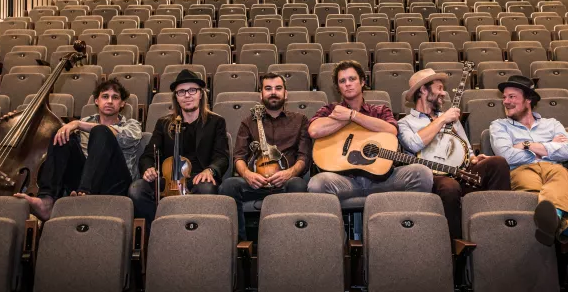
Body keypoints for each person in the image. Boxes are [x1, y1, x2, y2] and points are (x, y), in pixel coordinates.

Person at [489, 75, 568, 258]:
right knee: (534, 190)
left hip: (554, 168)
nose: (506, 101)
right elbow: (506, 155)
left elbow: (566, 151)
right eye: (504, 97)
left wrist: (527, 145)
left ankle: (553, 221)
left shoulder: (552, 124)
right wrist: (547, 146)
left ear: (528, 99)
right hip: (521, 170)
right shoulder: (499, 126)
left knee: (560, 175)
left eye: (512, 96)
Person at [398, 69, 511, 239]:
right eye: (439, 88)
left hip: (460, 172)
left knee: (498, 163)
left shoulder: (450, 118)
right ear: (423, 90)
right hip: (432, 176)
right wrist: (442, 119)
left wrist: (474, 158)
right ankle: (455, 245)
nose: (444, 93)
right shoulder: (405, 123)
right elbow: (414, 145)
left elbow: (466, 148)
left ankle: (498, 230)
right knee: (450, 186)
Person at [15, 78, 143, 221]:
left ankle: (85, 194)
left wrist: (77, 123)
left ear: (122, 103)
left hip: (115, 183)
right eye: (105, 96)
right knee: (62, 134)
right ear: (96, 101)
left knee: (101, 131)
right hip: (84, 178)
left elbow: (117, 135)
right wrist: (15, 119)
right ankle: (47, 200)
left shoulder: (132, 124)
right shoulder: (85, 121)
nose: (110, 101)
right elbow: (43, 132)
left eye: (115, 97)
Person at [307, 60, 433, 197]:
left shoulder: (380, 110)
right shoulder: (330, 110)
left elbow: (392, 130)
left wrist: (353, 115)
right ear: (338, 87)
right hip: (345, 181)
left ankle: (406, 218)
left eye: (352, 79)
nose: (347, 84)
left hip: (383, 180)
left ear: (362, 82)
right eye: (342, 81)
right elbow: (314, 130)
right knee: (316, 183)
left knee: (422, 173)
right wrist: (343, 119)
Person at [128, 69, 230, 228]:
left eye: (192, 90)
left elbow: (222, 156)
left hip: (198, 177)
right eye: (181, 91)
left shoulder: (216, 122)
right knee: (137, 189)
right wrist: (148, 169)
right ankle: (158, 229)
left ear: (201, 94)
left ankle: (197, 232)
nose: (187, 95)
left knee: (206, 188)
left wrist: (210, 170)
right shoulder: (164, 123)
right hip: (169, 180)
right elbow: (148, 155)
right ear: (176, 97)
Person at [219, 73, 310, 240]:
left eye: (278, 88)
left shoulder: (300, 120)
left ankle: (292, 241)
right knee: (228, 186)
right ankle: (240, 245)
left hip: (286, 182)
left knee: (298, 184)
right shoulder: (248, 122)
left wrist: (288, 173)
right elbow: (239, 156)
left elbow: (304, 157)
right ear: (261, 95)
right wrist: (247, 175)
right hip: (255, 183)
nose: (273, 92)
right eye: (268, 89)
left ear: (286, 94)